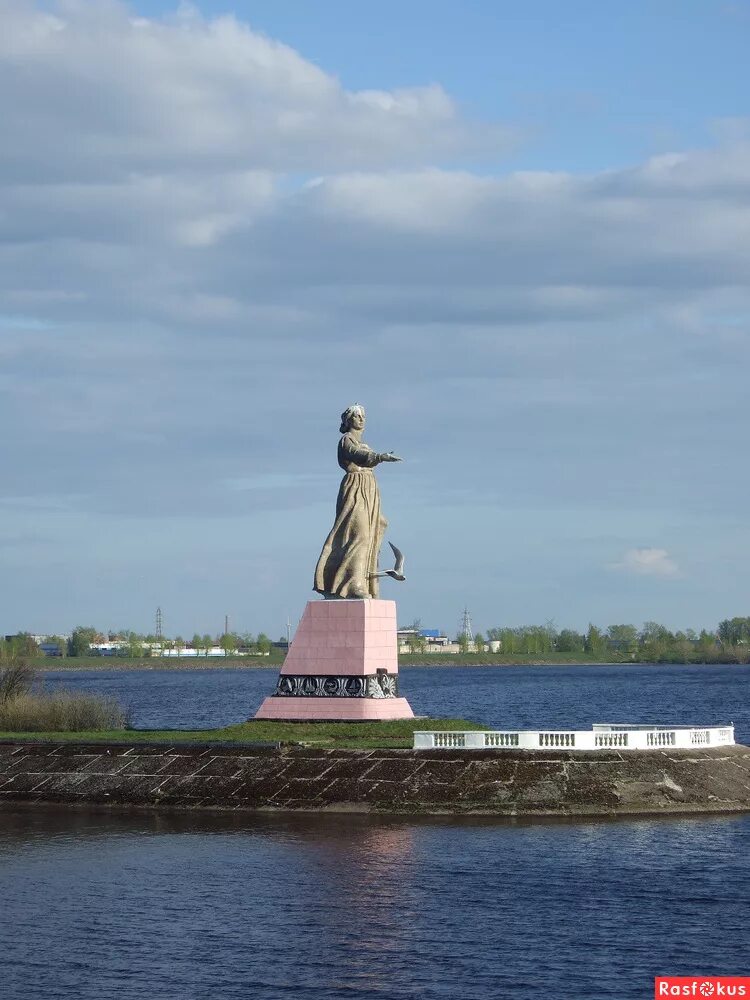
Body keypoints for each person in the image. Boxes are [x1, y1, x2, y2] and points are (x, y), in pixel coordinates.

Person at [313, 404, 401, 599]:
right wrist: (380, 457)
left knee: (374, 531)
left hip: (369, 490)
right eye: (357, 416)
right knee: (359, 533)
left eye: (363, 416)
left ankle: (364, 580)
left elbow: (365, 455)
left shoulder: (364, 443)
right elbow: (357, 455)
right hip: (355, 488)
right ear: (348, 420)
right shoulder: (346, 441)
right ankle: (353, 584)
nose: (361, 419)